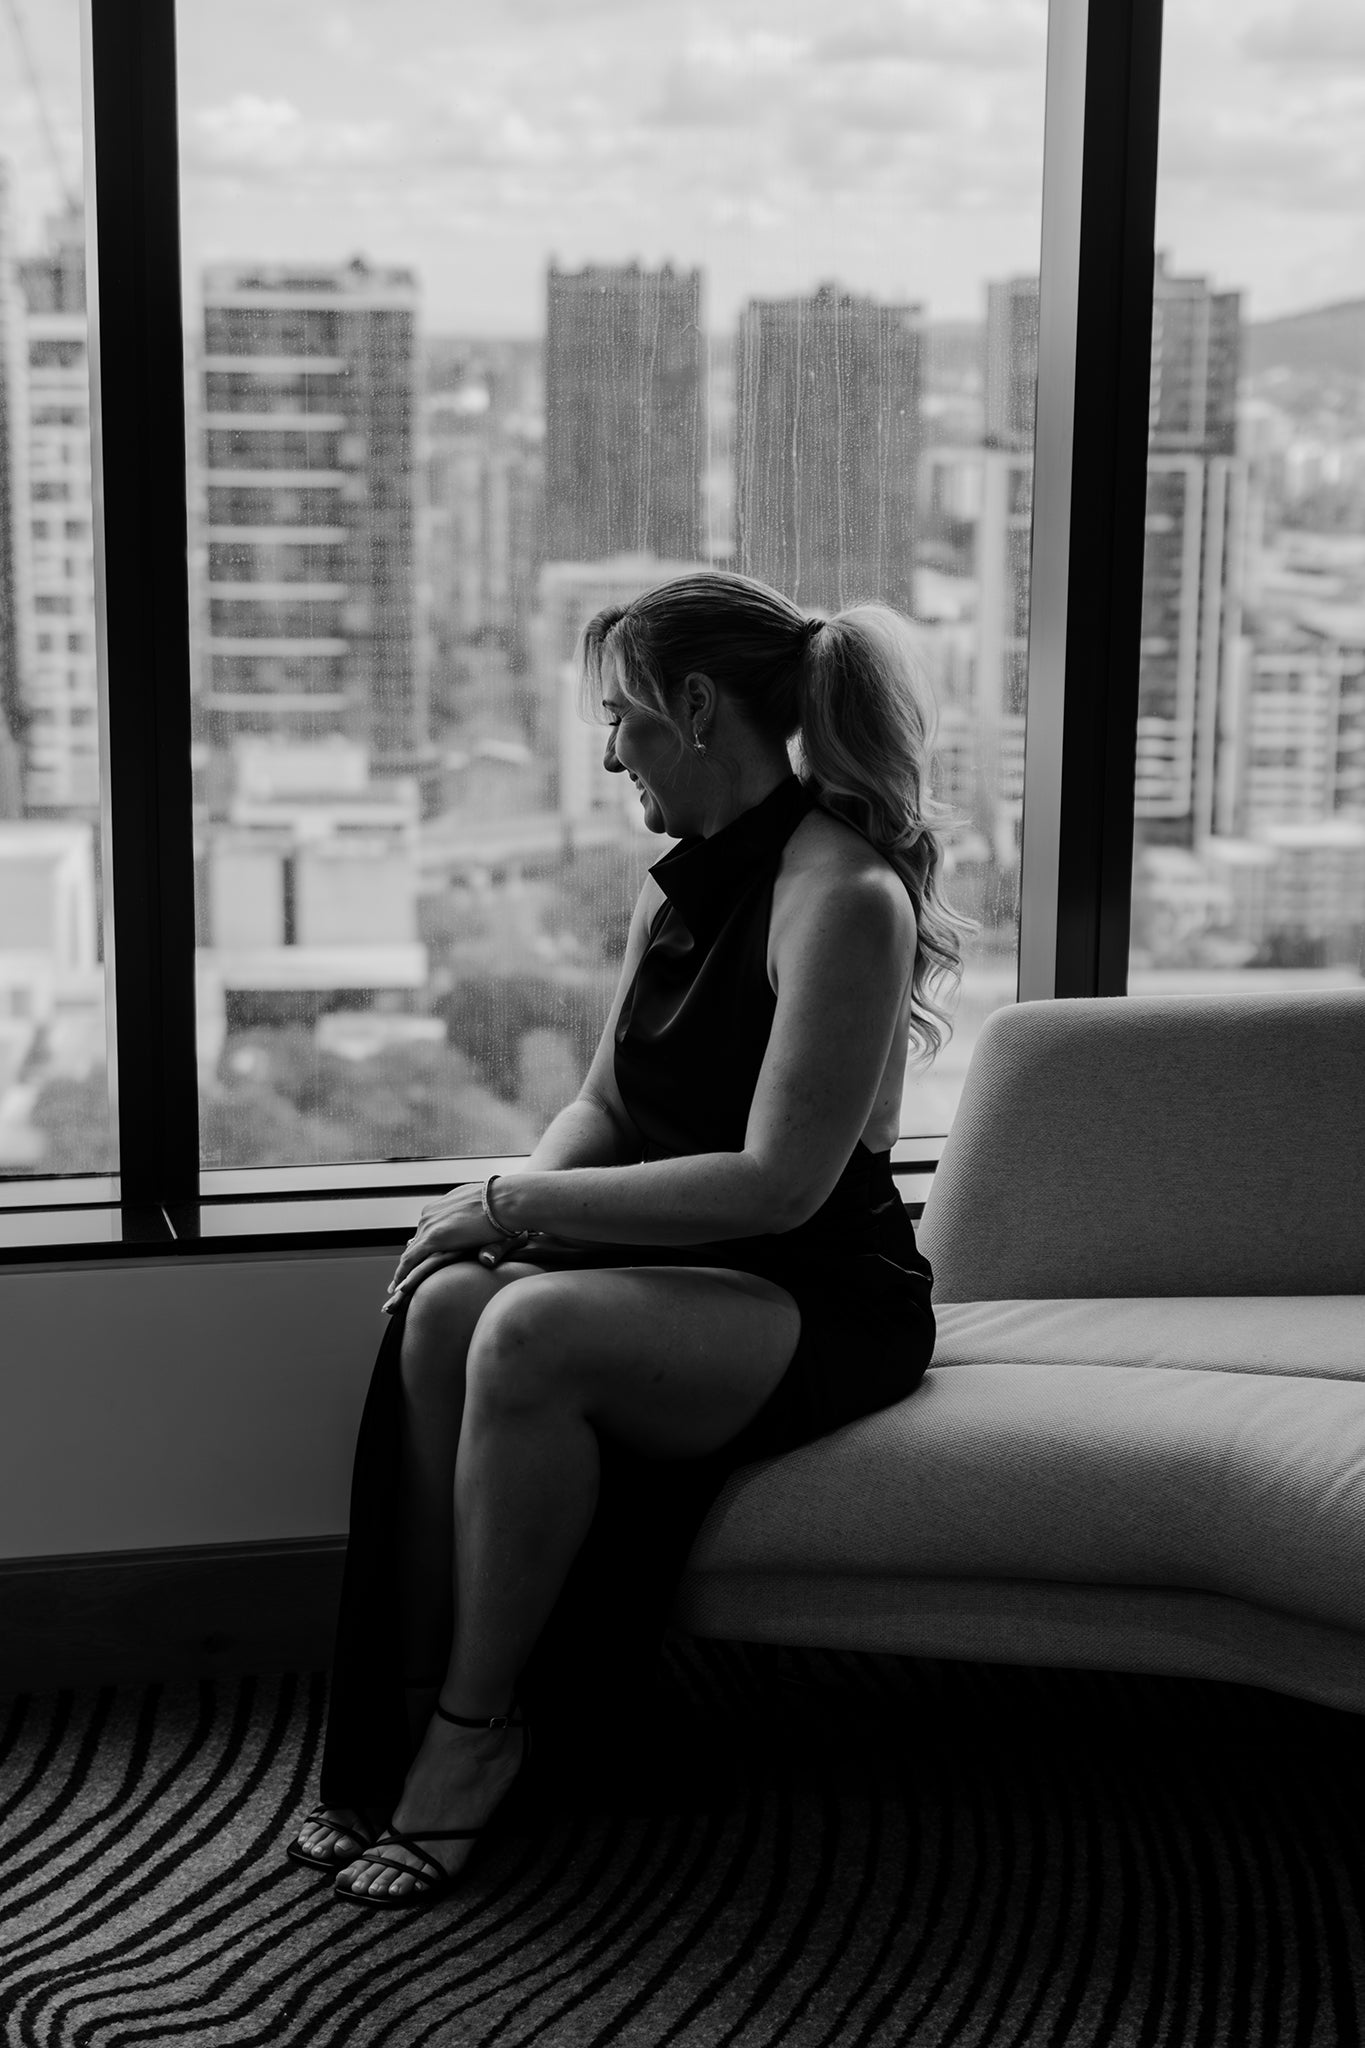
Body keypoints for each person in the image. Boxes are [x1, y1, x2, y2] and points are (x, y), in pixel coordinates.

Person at [287, 569, 967, 1910]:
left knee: (529, 1322)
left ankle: (483, 1742)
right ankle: (424, 1704)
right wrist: (501, 1212)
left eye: (623, 719)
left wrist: (516, 1213)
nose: (606, 751)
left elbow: (779, 1188)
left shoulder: (844, 897)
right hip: (698, 1262)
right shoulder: (676, 890)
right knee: (448, 1306)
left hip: (820, 1292)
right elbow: (604, 1103)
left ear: (697, 708)